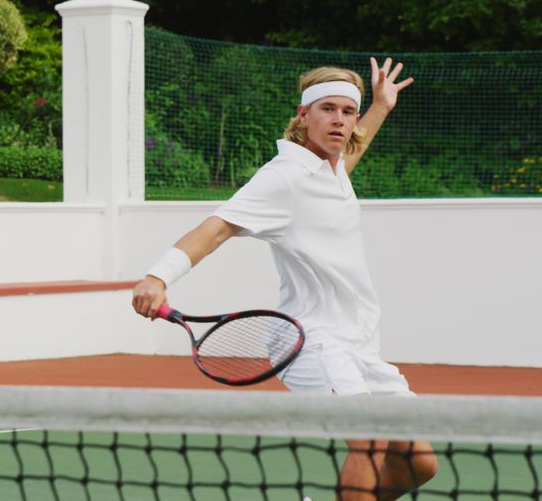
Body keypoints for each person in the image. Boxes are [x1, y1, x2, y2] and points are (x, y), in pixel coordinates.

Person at [131, 58, 438, 500]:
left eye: (347, 112)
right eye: (327, 109)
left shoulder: (333, 170)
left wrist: (381, 107)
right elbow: (216, 228)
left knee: (419, 464)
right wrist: (158, 276)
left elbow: (354, 149)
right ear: (303, 115)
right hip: (310, 337)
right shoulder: (282, 178)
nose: (339, 119)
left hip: (359, 338)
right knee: (370, 438)